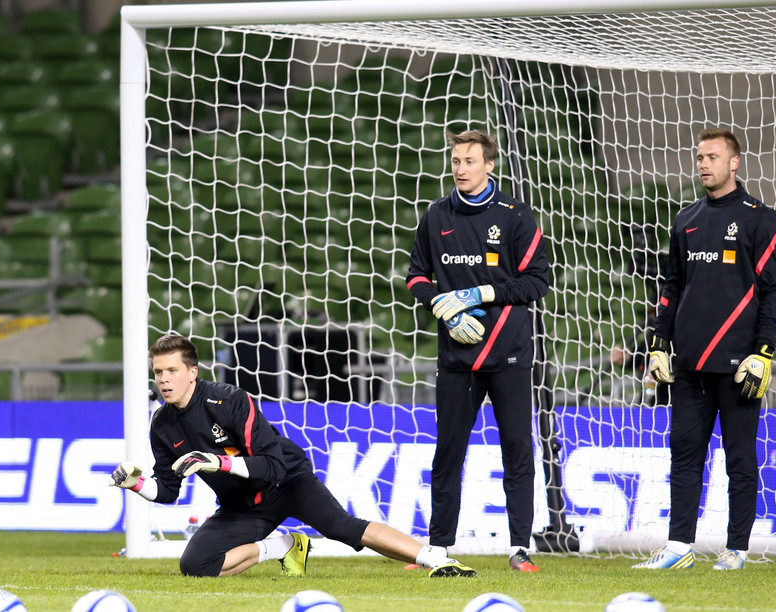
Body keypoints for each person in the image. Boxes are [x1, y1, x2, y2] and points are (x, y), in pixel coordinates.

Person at [110, 333, 449, 577]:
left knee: (343, 528)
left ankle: (435, 558)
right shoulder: (163, 425)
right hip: (241, 506)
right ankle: (285, 546)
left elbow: (271, 465)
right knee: (195, 567)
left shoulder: (228, 400)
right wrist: (137, 484)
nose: (165, 380)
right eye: (159, 373)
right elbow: (168, 491)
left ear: (192, 372)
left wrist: (218, 462)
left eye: (172, 371)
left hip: (287, 482)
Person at [636, 128, 776, 570]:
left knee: (739, 460)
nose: (703, 164)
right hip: (689, 365)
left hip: (741, 365)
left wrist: (764, 352)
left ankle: (736, 550)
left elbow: (775, 290)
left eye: (712, 157)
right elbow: (671, 287)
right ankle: (679, 547)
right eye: (699, 156)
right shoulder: (686, 219)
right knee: (684, 455)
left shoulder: (762, 219)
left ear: (734, 163)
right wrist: (659, 345)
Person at [405, 129, 550, 576]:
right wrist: (442, 307)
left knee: (516, 451)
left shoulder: (516, 216)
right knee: (447, 452)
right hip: (457, 358)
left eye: (469, 161)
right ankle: (437, 548)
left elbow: (537, 282)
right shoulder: (435, 216)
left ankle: (520, 548)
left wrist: (478, 294)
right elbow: (416, 276)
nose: (461, 168)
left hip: (507, 355)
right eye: (455, 161)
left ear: (490, 165)